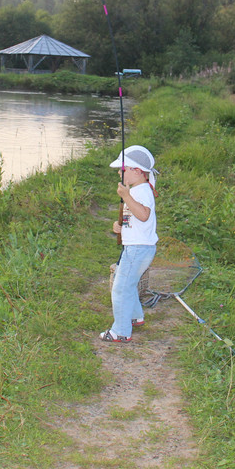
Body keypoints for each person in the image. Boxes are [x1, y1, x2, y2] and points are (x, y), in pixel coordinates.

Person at [101, 144, 159, 343]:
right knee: (128, 283)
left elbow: (143, 215)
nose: (118, 172)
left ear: (137, 171)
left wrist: (126, 196)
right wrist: (119, 226)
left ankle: (121, 331)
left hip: (138, 249)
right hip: (136, 247)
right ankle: (135, 316)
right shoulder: (137, 189)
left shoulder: (141, 191)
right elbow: (133, 217)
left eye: (122, 169)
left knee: (121, 288)